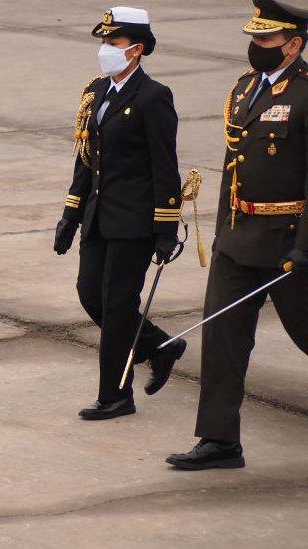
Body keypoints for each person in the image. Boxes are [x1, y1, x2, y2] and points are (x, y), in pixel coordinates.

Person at [167, 0, 308, 470]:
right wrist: (224, 230)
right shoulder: (246, 89)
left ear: (294, 45)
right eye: (253, 38)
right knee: (223, 338)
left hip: (290, 242)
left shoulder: (307, 93)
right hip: (239, 237)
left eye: (266, 40)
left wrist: (306, 244)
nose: (256, 47)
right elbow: (235, 167)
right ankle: (219, 440)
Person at [54, 7, 187, 421]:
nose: (104, 51)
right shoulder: (95, 91)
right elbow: (86, 156)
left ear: (137, 50)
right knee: (90, 293)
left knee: (116, 304)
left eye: (112, 44)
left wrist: (167, 226)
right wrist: (70, 214)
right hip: (97, 215)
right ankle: (158, 346)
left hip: (134, 222)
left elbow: (165, 165)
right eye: (104, 43)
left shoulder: (152, 97)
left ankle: (115, 395)